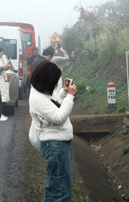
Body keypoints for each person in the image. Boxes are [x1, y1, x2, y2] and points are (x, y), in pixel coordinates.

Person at [29, 61, 77, 202]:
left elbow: (53, 102)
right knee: (60, 190)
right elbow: (59, 117)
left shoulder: (39, 90)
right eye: (55, 82)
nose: (55, 84)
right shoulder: (38, 98)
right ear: (47, 81)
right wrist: (70, 96)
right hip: (55, 145)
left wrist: (63, 92)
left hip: (56, 144)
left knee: (58, 186)